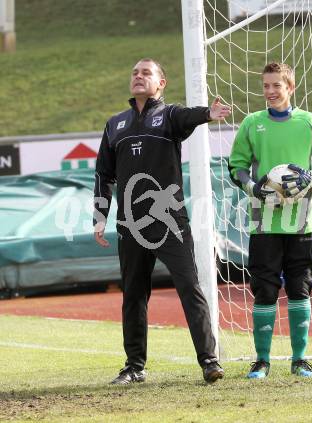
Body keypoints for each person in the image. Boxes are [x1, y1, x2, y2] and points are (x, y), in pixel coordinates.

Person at [93, 58, 231, 384]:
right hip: (130, 224)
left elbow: (189, 116)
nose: (139, 77)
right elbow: (103, 174)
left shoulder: (169, 116)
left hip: (170, 220)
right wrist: (99, 216)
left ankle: (209, 361)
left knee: (189, 287)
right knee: (134, 295)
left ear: (161, 83)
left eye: (146, 73)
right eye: (135, 72)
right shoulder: (115, 125)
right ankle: (134, 367)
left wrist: (207, 115)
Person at [228, 62, 312, 378]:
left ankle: (299, 359)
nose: (270, 92)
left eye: (276, 85)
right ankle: (262, 360)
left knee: (299, 289)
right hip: (263, 223)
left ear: (290, 87)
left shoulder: (309, 122)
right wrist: (252, 186)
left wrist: (311, 177)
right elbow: (236, 166)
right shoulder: (252, 123)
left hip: (301, 223)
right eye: (265, 86)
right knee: (264, 290)